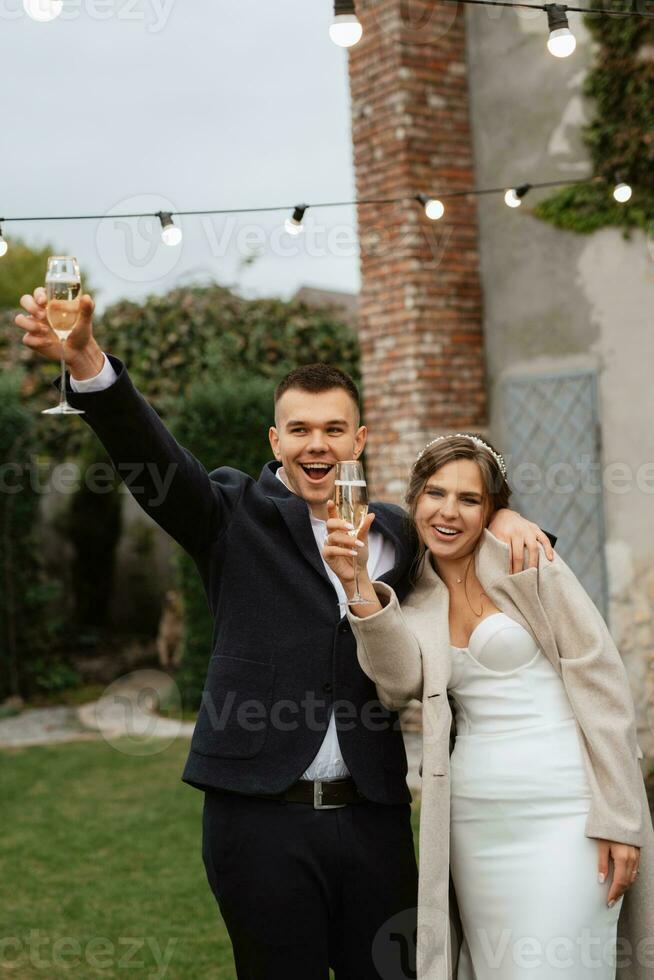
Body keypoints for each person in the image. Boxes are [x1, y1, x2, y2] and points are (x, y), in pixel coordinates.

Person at [16, 290, 555, 979]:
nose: (317, 444)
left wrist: (502, 515)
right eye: (299, 429)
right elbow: (151, 461)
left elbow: (471, 533)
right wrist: (90, 364)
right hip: (257, 822)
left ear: (360, 441)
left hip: (374, 821)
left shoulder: (398, 530)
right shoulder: (230, 516)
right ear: (276, 442)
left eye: (334, 429)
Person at [323, 433, 654, 980]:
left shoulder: (528, 560)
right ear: (414, 501)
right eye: (435, 494)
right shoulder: (413, 592)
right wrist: (357, 583)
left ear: (492, 510)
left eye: (470, 500)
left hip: (570, 813)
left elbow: (602, 682)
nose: (448, 511)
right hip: (476, 821)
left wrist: (620, 817)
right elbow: (397, 682)